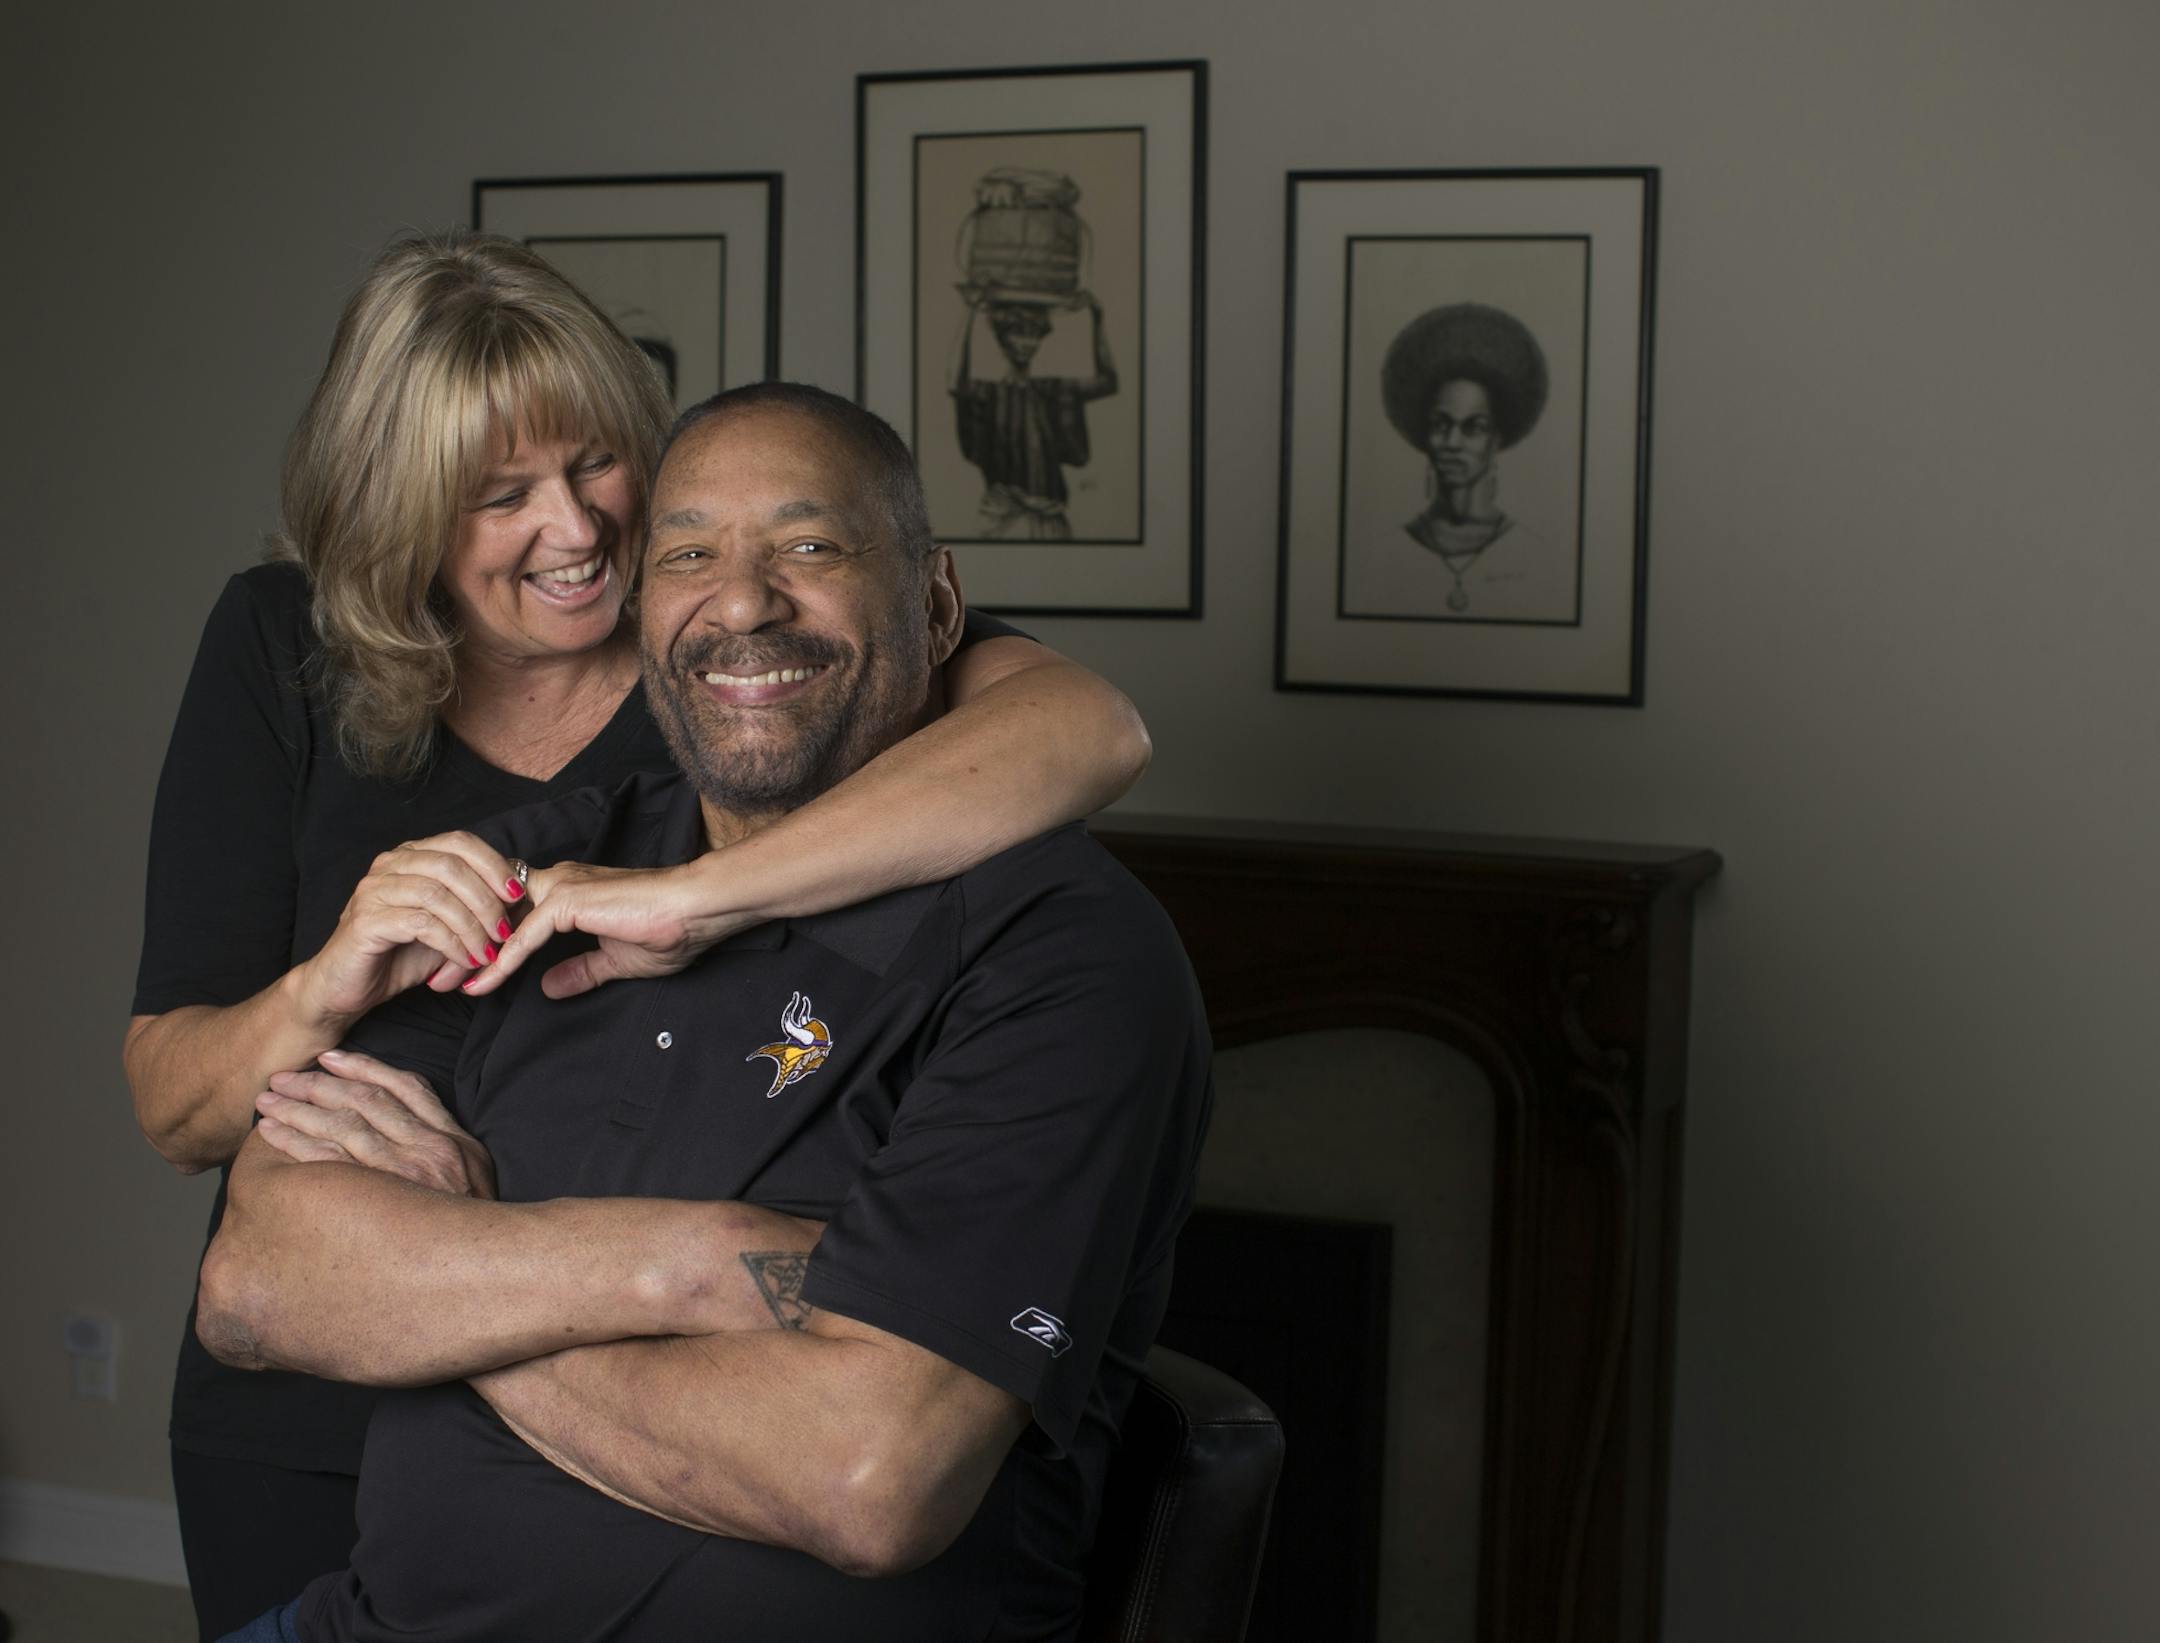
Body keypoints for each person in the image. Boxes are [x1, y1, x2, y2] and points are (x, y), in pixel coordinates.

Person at [124, 235, 1153, 1640]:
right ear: (400, 512)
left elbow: (1089, 730)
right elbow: (216, 1183)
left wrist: (699, 895)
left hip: (613, 1430)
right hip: (314, 1437)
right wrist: (326, 987)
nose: (577, 528)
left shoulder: (748, 674)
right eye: (500, 494)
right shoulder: (303, 662)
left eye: (601, 462)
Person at [1378, 301, 1551, 614]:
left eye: (1474, 427)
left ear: (1497, 438)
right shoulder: (1388, 551)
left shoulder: (1535, 553)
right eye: (1440, 424)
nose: (1452, 443)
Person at [948, 284, 1117, 539]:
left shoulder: (1054, 390)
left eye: (1034, 334)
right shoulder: (991, 393)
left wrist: (1097, 316)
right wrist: (969, 311)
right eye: (1018, 333)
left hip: (1049, 516)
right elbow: (955, 383)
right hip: (1000, 517)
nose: (1027, 343)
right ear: (1002, 338)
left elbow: (1108, 381)